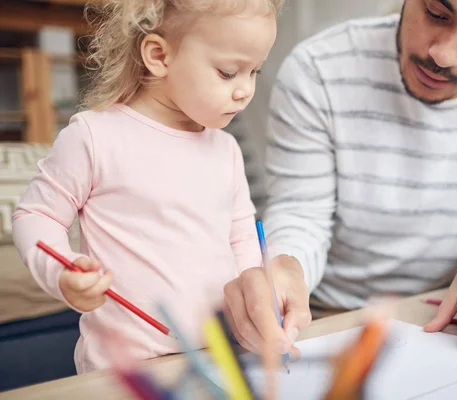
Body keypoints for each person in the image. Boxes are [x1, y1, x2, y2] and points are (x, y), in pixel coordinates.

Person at [224, 0, 457, 360]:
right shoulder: (318, 69)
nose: (444, 55)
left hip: (449, 315)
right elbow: (302, 212)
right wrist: (286, 268)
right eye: (436, 14)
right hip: (329, 314)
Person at [12, 0, 282, 373]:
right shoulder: (95, 136)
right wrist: (63, 272)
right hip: (126, 368)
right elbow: (35, 215)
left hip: (220, 357)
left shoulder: (227, 149)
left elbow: (242, 242)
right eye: (227, 72)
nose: (244, 91)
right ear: (159, 56)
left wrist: (259, 304)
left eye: (254, 72)